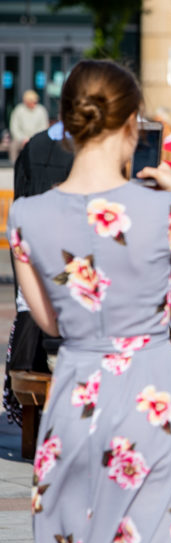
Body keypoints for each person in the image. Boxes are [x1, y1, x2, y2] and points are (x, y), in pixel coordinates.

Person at [9, 59, 171, 543]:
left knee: (76, 542)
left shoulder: (26, 216)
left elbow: (49, 320)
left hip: (78, 387)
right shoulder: (163, 210)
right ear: (132, 123)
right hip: (154, 392)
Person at [5, 121, 75, 427]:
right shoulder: (93, 148)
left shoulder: (34, 144)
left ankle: (30, 418)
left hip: (37, 265)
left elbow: (22, 192)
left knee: (31, 313)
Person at [9, 89, 50, 164]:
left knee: (43, 145)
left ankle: (40, 164)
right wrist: (23, 138)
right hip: (21, 139)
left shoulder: (41, 110)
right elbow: (14, 127)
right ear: (25, 102)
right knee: (13, 146)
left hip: (36, 138)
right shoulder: (18, 110)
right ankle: (14, 165)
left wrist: (33, 138)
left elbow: (43, 127)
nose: (33, 104)